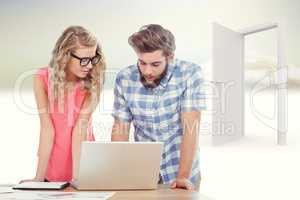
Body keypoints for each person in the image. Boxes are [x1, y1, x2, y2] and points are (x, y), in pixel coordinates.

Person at [111, 24, 205, 190]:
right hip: (144, 174)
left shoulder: (190, 73)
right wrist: (116, 173)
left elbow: (191, 127)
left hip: (183, 172)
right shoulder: (124, 78)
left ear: (170, 57)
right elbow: (121, 128)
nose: (147, 71)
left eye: (155, 64)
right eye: (142, 63)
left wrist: (182, 176)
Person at [20, 26, 106, 183]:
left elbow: (81, 130)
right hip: (52, 170)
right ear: (65, 56)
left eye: (93, 59)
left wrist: (78, 179)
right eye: (83, 60)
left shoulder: (93, 81)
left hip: (83, 167)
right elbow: (47, 128)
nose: (89, 66)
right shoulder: (42, 78)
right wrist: (38, 179)